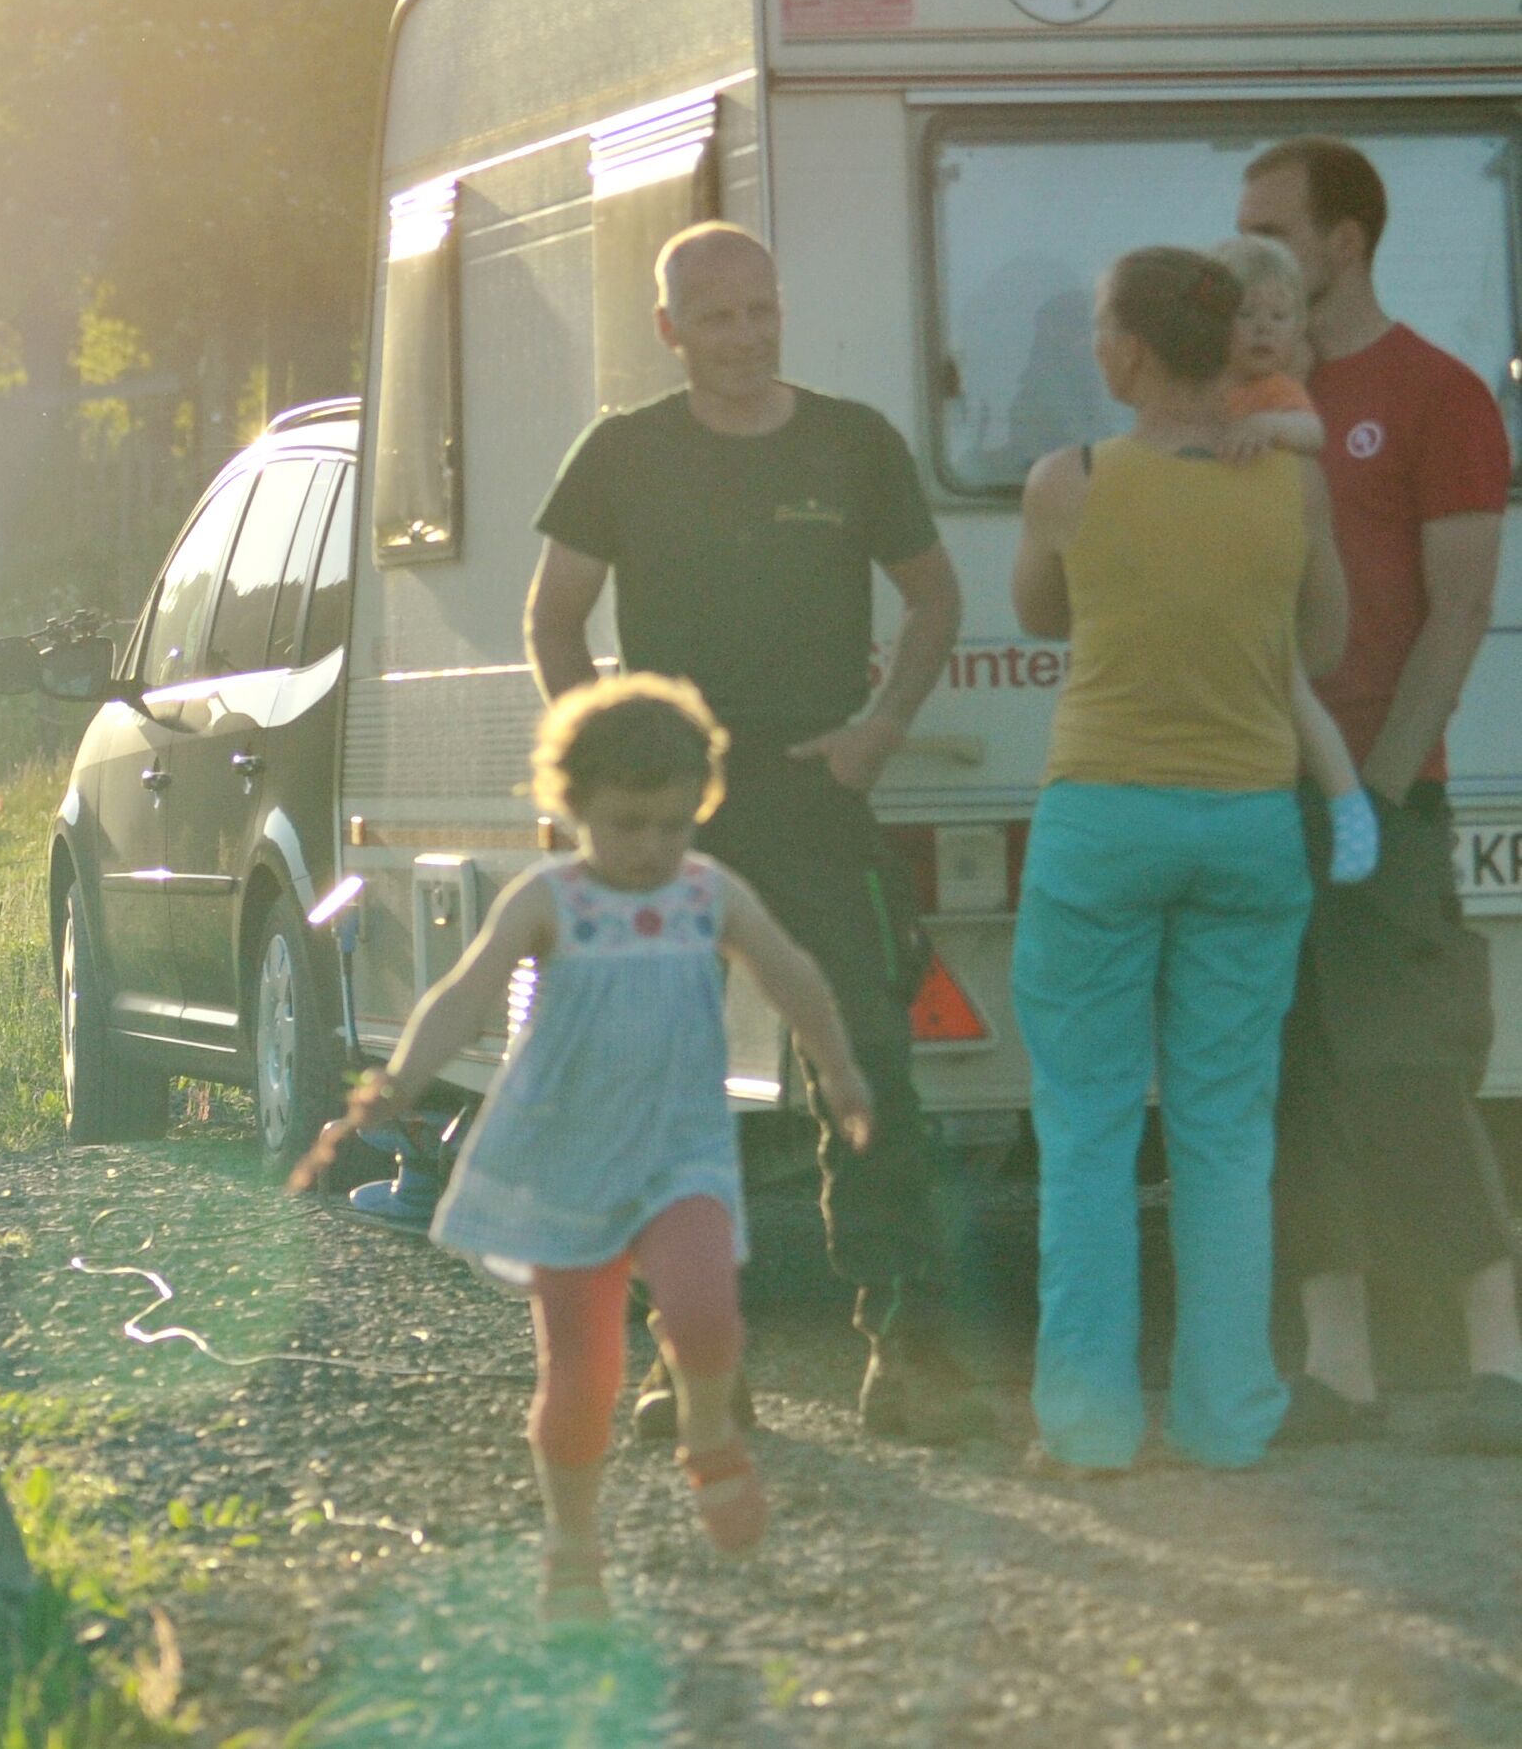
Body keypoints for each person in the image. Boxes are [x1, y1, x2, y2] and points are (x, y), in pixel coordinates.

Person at [526, 222, 991, 1443]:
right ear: (669, 328)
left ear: (779, 314)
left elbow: (936, 593)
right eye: (714, 317)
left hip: (810, 789)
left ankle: (908, 1349)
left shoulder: (850, 442)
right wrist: (603, 770)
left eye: (759, 311)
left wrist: (880, 726)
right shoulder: (621, 453)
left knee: (867, 1061)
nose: (742, 337)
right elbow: (553, 616)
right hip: (664, 811)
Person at [293, 675, 874, 1627]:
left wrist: (839, 1069)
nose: (649, 848)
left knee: (709, 1316)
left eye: (671, 827)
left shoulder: (706, 893)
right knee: (580, 1377)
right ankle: (571, 1544)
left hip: (676, 1156)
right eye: (625, 825)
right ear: (574, 809)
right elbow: (464, 994)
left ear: (699, 809)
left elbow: (789, 971)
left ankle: (708, 1435)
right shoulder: (548, 901)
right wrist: (396, 1080)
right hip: (566, 1171)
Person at [1008, 246, 1347, 1472]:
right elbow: (1326, 630)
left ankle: (1089, 1424)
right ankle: (1226, 1414)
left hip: (1102, 816)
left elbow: (1043, 612)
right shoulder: (1292, 488)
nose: (1094, 344)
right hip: (1249, 817)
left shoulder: (1070, 478)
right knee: (1223, 1130)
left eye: (1100, 325)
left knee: (1090, 1127)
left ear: (1132, 350)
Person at [1236, 136, 1522, 1451]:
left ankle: (1494, 1363)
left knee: (1405, 1066)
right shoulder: (1240, 401)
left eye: (1268, 227)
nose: (1242, 248)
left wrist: (1379, 792)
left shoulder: (1434, 393)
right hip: (1252, 794)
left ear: (1341, 240)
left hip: (1379, 794)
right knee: (1291, 1074)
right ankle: (1336, 1374)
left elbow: (1457, 609)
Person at [1211, 232, 1382, 889]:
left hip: (1260, 577)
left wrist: (1269, 429)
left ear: (1298, 330)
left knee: (1289, 689)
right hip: (1217, 575)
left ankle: (1348, 808)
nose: (1261, 330)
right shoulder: (1204, 388)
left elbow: (1312, 435)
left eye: (1277, 318)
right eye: (1245, 315)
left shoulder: (1276, 394)